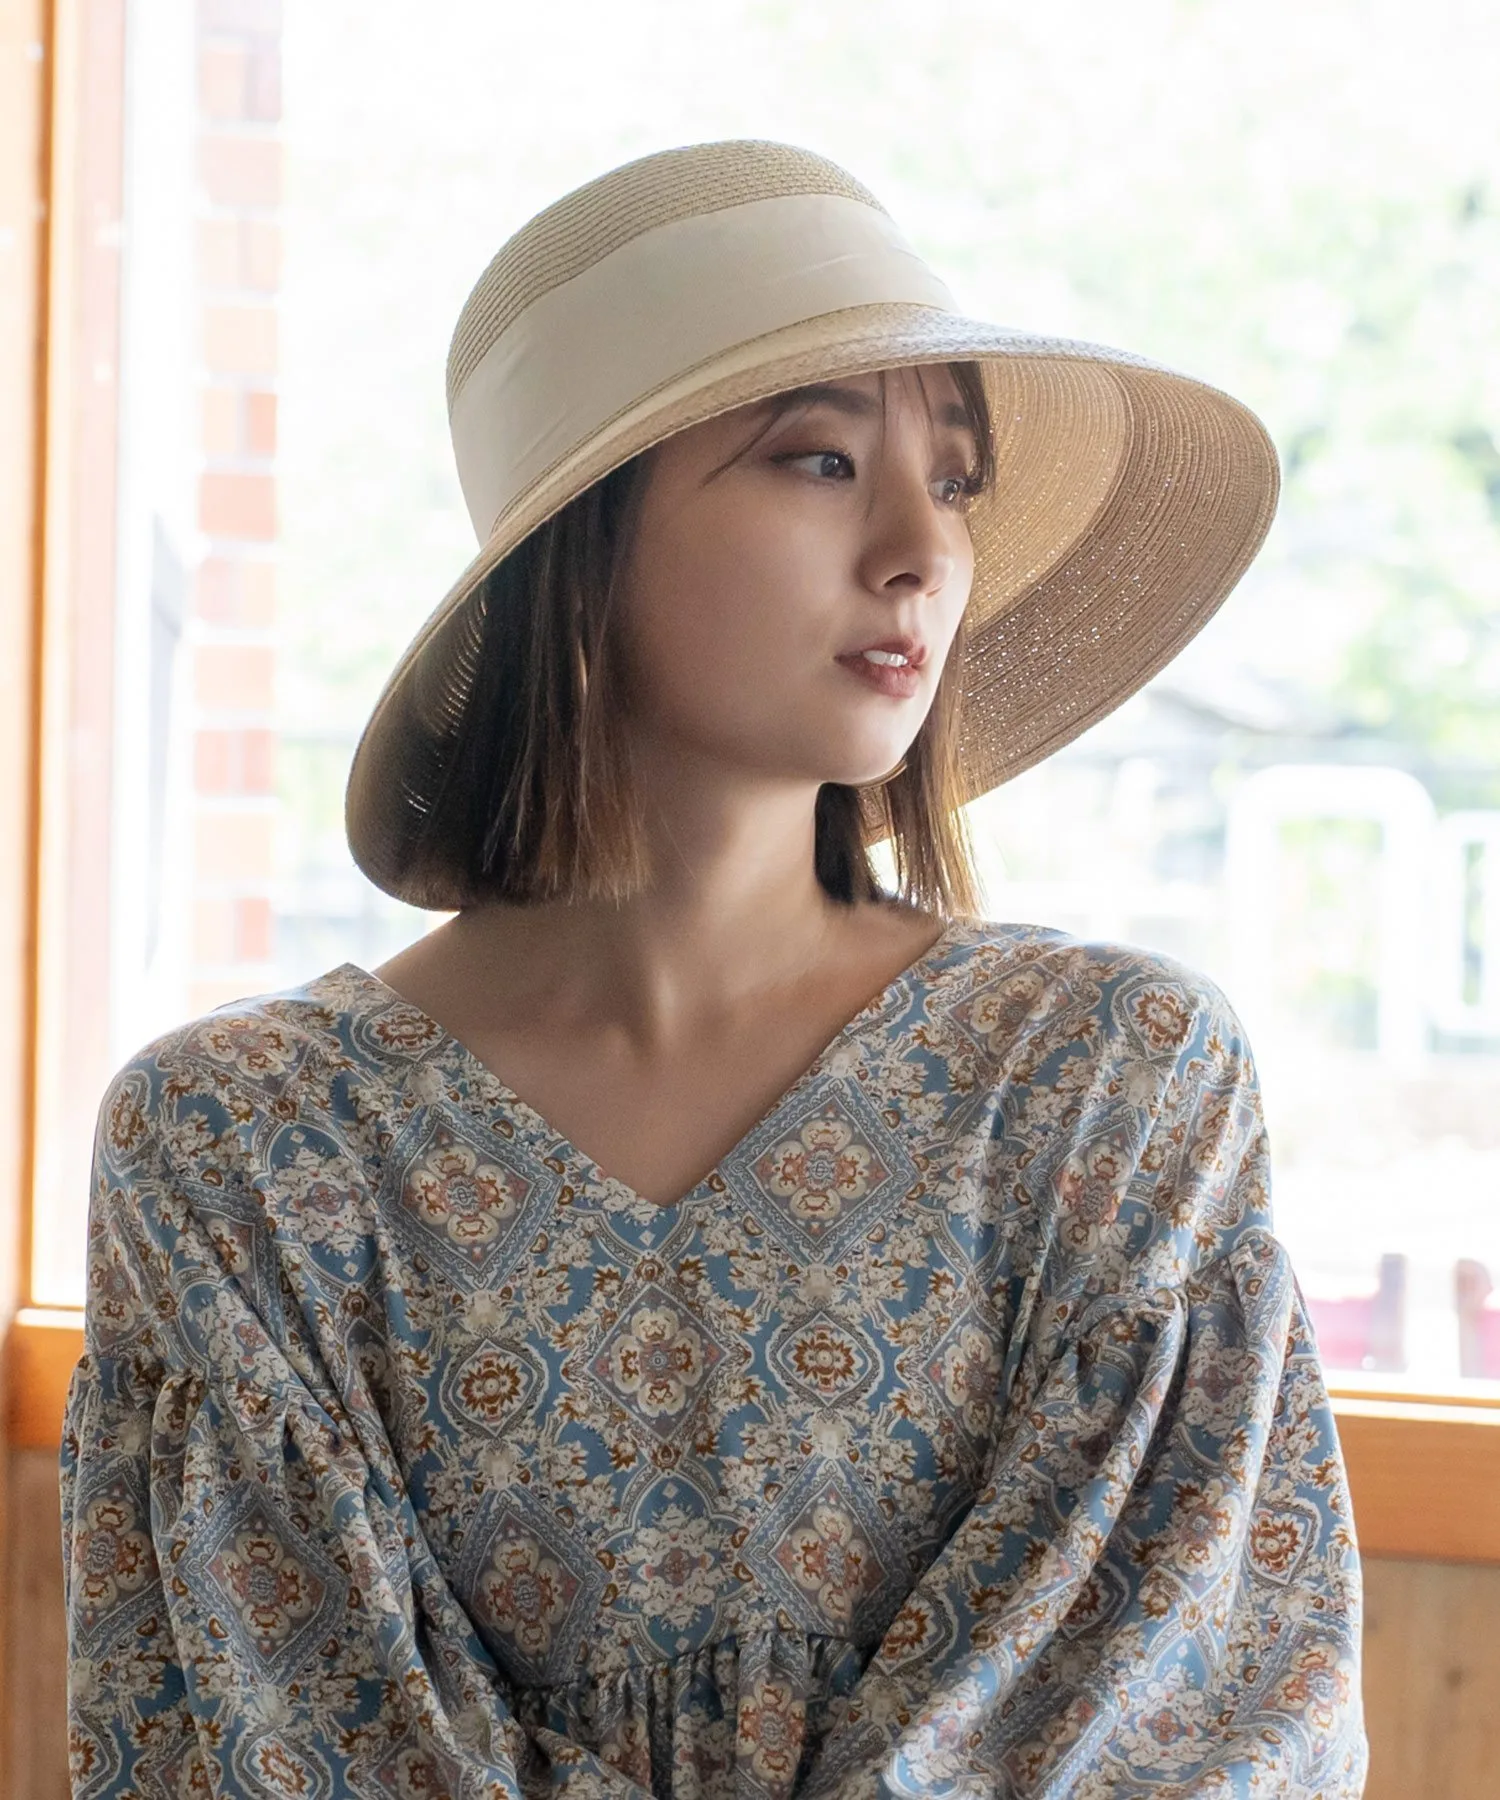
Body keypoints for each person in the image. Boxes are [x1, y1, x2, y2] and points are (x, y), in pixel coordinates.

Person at [60, 140, 1367, 1799]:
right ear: (581, 547)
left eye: (956, 480)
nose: (921, 548)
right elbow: (281, 1748)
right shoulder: (244, 1148)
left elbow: (1164, 1726)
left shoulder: (1107, 1082)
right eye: (820, 460)